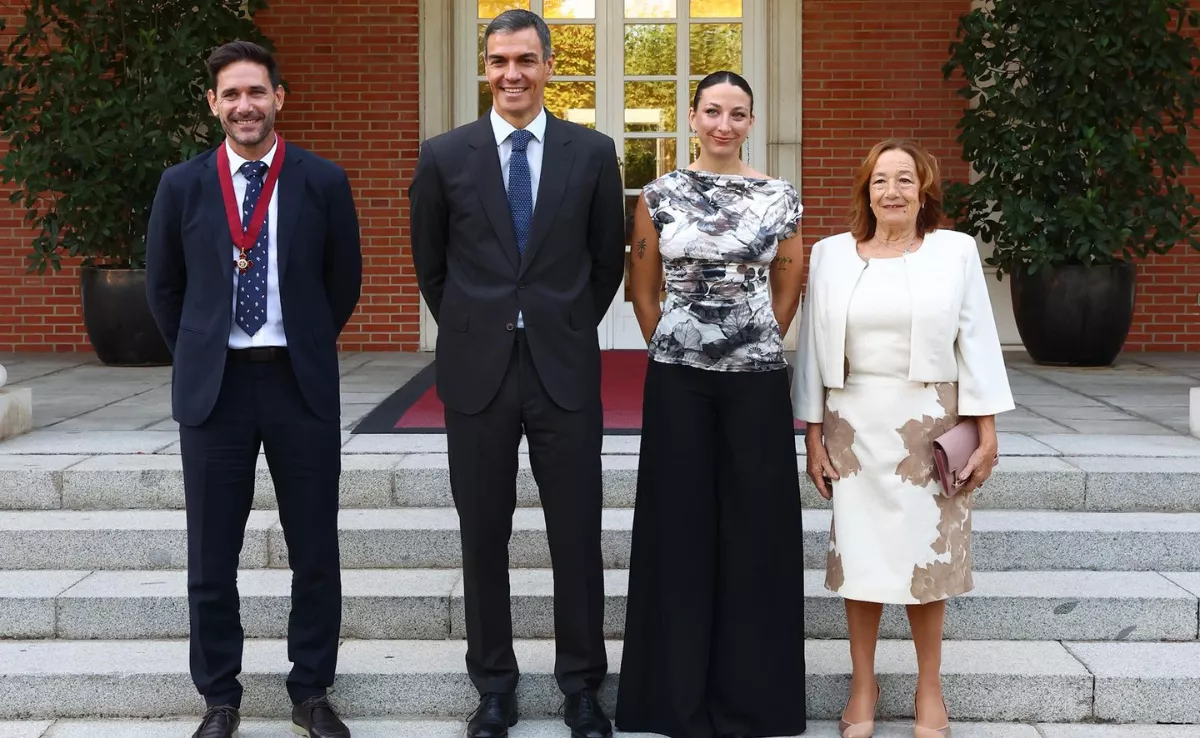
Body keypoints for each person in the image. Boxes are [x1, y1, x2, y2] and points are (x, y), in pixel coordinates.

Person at [407, 9, 625, 738]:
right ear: (485, 67)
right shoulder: (444, 155)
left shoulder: (592, 153)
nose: (512, 74)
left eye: (526, 60)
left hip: (563, 368)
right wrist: (477, 326)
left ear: (549, 66)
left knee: (577, 536)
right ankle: (494, 687)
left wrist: (562, 321)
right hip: (479, 374)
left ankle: (582, 687)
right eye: (499, 61)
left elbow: (606, 262)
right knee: (483, 537)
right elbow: (432, 266)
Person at [146, 41, 362, 738]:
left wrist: (304, 339)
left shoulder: (322, 180)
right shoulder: (182, 185)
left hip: (299, 384)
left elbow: (343, 281)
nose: (246, 106)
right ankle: (219, 697)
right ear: (213, 103)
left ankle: (311, 690)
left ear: (279, 98)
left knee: (315, 551)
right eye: (232, 94)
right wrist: (202, 350)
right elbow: (164, 287)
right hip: (217, 391)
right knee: (211, 557)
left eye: (257, 92)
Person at [793, 138, 1014, 738]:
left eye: (905, 180)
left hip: (930, 425)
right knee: (860, 557)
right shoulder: (830, 254)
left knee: (926, 559)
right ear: (866, 193)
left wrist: (987, 432)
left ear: (924, 191)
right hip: (853, 426)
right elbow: (811, 348)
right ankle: (863, 684)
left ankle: (929, 687)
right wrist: (812, 435)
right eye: (880, 181)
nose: (892, 192)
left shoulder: (954, 251)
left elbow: (978, 342)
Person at [615, 70, 808, 738]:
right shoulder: (659, 194)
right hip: (678, 380)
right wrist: (676, 344)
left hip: (756, 380)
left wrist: (754, 341)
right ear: (693, 117)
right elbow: (642, 288)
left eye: (738, 113)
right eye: (713, 111)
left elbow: (789, 280)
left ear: (750, 122)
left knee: (757, 530)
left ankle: (754, 701)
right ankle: (672, 698)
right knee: (678, 527)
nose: (725, 124)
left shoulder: (778, 196)